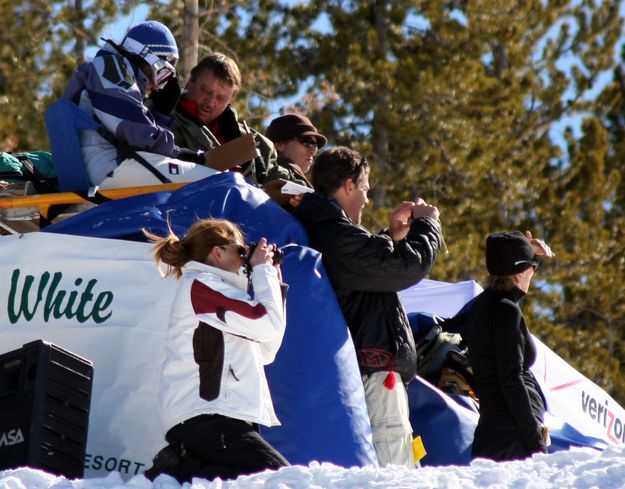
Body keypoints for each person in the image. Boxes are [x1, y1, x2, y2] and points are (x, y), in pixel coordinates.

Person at [292, 146, 443, 468]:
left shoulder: (330, 231)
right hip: (373, 370)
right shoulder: (334, 234)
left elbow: (367, 271)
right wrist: (428, 225)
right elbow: (406, 266)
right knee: (394, 467)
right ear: (348, 185)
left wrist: (392, 235)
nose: (366, 199)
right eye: (364, 189)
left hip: (361, 369)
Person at [142, 218, 289, 482]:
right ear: (217, 252)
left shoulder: (221, 293)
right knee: (277, 479)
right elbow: (268, 325)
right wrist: (262, 273)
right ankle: (176, 470)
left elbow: (267, 349)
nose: (246, 260)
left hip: (223, 415)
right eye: (241, 251)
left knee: (236, 481)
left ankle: (180, 468)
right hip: (207, 415)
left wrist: (274, 286)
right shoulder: (201, 285)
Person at [63, 21, 218, 189]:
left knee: (210, 184)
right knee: (220, 184)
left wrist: (161, 114)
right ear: (147, 56)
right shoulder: (109, 68)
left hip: (113, 164)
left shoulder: (115, 73)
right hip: (108, 165)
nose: (157, 86)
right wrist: (178, 153)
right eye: (162, 74)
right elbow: (133, 129)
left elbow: (137, 136)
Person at [467, 230, 554, 462]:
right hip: (511, 439)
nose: (533, 272)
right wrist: (536, 444)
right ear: (520, 271)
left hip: (494, 435)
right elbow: (511, 381)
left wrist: (528, 254)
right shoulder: (506, 312)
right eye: (531, 267)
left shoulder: (484, 305)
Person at [171, 53, 290, 185]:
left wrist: (298, 196)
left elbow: (280, 180)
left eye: (221, 98)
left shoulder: (256, 142)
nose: (210, 103)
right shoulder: (158, 117)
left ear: (230, 99)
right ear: (191, 80)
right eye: (205, 91)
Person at [265, 113, 327, 210]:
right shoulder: (275, 174)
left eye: (315, 146)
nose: (313, 151)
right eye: (307, 142)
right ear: (280, 145)